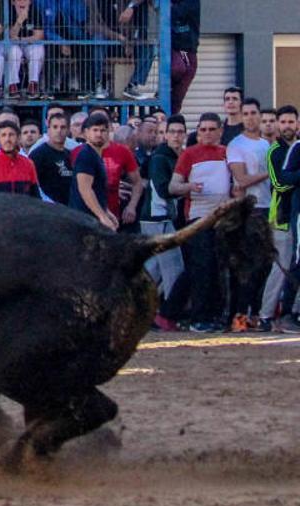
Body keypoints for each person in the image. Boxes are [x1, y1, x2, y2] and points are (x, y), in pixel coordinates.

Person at [168, 112, 233, 332]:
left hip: (223, 220)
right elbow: (173, 186)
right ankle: (198, 318)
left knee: (217, 269)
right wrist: (189, 187)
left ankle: (214, 315)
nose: (206, 133)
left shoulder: (227, 153)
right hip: (198, 218)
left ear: (220, 131)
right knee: (202, 268)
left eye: (211, 129)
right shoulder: (189, 154)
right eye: (202, 129)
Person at [225, 97, 273, 331]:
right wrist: (269, 173)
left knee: (265, 266)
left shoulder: (267, 145)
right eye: (247, 114)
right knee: (248, 266)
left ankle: (255, 314)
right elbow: (241, 180)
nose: (251, 117)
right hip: (250, 210)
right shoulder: (236, 145)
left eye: (254, 113)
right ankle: (240, 317)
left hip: (269, 209)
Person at [143, 114, 186, 331]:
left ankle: (139, 311)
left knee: (153, 270)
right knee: (173, 268)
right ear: (166, 135)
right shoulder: (161, 158)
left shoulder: (176, 156)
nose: (177, 136)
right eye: (173, 132)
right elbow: (162, 189)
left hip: (162, 217)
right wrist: (189, 188)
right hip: (156, 218)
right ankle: (169, 316)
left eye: (180, 132)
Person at [264, 105, 300, 333]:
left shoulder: (295, 148)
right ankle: (267, 314)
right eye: (283, 122)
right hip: (281, 217)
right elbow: (278, 183)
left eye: (290, 122)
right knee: (282, 269)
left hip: (293, 215)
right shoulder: (275, 151)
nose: (287, 126)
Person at [70, 112, 118, 229]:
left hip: (90, 219)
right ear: (86, 132)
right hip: (83, 220)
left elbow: (97, 190)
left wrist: (106, 211)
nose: (99, 134)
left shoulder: (95, 155)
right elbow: (85, 189)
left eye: (103, 130)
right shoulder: (86, 155)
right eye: (95, 130)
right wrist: (102, 216)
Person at [30, 112, 75, 204]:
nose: (59, 131)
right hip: (48, 209)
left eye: (63, 127)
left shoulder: (71, 155)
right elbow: (33, 186)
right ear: (48, 130)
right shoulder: (38, 155)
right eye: (55, 127)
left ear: (68, 130)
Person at [5, 0, 45, 99]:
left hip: (28, 43)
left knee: (38, 50)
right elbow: (10, 35)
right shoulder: (8, 12)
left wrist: (21, 39)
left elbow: (39, 36)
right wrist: (19, 21)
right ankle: (12, 84)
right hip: (12, 45)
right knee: (14, 52)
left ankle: (33, 83)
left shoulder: (35, 12)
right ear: (13, 2)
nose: (22, 2)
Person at [170, 0, 200, 114]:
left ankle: (172, 116)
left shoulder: (191, 2)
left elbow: (177, 12)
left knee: (178, 97)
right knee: (177, 69)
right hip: (175, 50)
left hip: (189, 51)